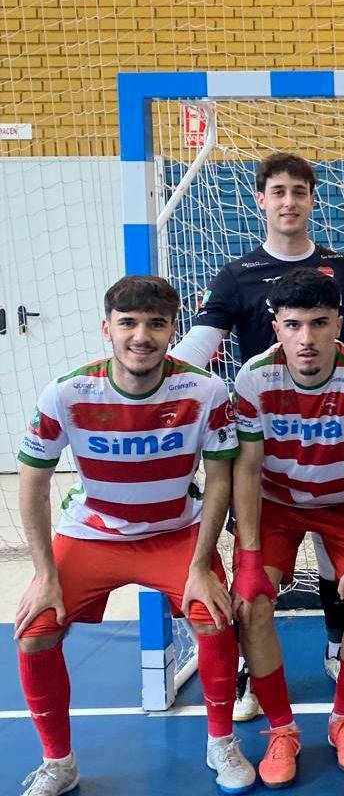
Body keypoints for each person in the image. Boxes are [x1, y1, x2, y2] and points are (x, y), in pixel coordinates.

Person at [14, 276, 251, 796]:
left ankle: (221, 742)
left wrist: (201, 565)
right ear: (108, 328)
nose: (141, 336)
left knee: (214, 619)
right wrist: (44, 575)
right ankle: (58, 763)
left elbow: (220, 480)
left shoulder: (206, 391)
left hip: (175, 534)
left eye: (156, 324)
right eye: (128, 323)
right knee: (35, 631)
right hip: (92, 534)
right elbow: (32, 483)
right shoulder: (68, 392)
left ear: (173, 330)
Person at [172, 152, 344, 715]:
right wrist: (153, 376)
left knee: (334, 555)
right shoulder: (237, 275)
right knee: (252, 562)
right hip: (262, 437)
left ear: (313, 199)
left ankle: (337, 646)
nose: (289, 202)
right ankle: (250, 670)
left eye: (299, 191)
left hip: (331, 431)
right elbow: (200, 343)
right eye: (278, 191)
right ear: (260, 200)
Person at [229, 269, 344, 785]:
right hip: (276, 504)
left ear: (338, 324)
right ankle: (282, 730)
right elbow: (246, 471)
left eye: (319, 323)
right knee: (251, 603)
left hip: (343, 503)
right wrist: (249, 558)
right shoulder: (253, 378)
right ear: (275, 326)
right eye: (293, 325)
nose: (306, 339)